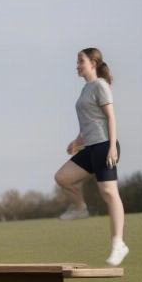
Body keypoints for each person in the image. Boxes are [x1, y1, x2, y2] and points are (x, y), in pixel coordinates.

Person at [54, 47, 129, 266]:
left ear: (93, 64)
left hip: (105, 145)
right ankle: (80, 208)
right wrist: (77, 141)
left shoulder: (100, 86)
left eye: (81, 61)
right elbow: (89, 121)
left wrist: (112, 147)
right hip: (89, 146)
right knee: (63, 178)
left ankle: (118, 244)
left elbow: (110, 118)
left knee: (109, 192)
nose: (77, 65)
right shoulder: (86, 89)